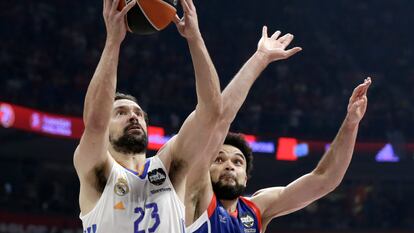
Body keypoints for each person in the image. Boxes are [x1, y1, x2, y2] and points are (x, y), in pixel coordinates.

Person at [184, 26, 372, 232]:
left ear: (246, 178)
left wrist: (351, 123)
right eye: (219, 159)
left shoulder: (257, 209)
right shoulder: (194, 194)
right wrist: (260, 57)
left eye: (238, 162)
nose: (229, 166)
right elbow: (218, 120)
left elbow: (324, 180)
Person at [73, 0, 223, 232]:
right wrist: (113, 41)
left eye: (138, 114)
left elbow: (211, 112)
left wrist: (195, 39)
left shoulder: (170, 167)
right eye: (120, 113)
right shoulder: (96, 168)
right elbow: (95, 122)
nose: (133, 117)